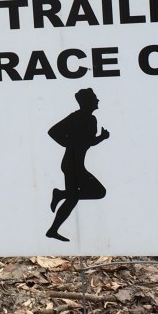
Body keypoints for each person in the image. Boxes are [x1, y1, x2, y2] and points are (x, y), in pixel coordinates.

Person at [46, 88, 110, 242]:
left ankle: (53, 227)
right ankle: (60, 197)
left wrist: (101, 138)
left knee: (75, 198)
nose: (97, 100)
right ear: (87, 101)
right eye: (95, 98)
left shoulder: (91, 119)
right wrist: (70, 143)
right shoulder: (76, 117)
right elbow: (53, 131)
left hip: (76, 164)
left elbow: (88, 141)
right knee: (98, 192)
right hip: (71, 164)